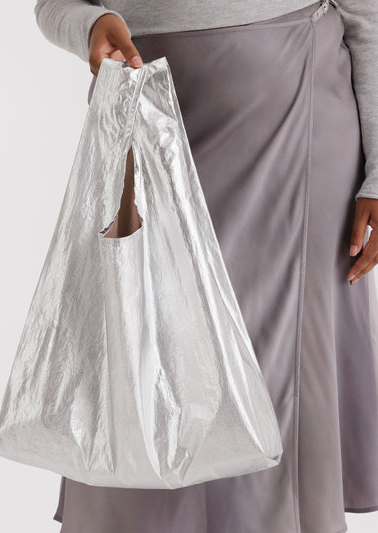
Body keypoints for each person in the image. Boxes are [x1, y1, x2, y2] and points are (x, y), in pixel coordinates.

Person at [33, 1, 378, 531]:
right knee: (141, 369)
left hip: (287, 115)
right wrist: (90, 26)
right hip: (141, 115)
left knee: (262, 381)